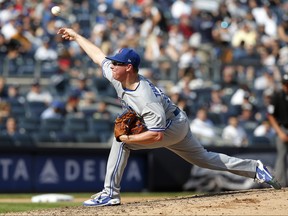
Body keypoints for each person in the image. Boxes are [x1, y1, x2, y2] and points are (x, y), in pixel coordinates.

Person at [57, 27, 281, 207]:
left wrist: (129, 139)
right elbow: (98, 57)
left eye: (116, 63)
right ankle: (255, 168)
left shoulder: (144, 97)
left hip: (169, 126)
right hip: (176, 120)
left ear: (129, 67)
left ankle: (109, 193)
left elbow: (155, 136)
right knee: (204, 158)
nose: (111, 65)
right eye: (113, 62)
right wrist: (77, 36)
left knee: (121, 144)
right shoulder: (119, 75)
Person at [267, 73, 288, 187]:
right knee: (281, 156)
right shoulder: (277, 96)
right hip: (282, 129)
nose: (286, 86)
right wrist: (280, 132)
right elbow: (270, 115)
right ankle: (280, 184)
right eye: (285, 84)